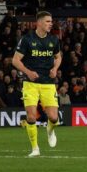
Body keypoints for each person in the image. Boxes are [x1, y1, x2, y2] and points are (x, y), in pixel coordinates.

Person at [12, 11, 62, 157]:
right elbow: (15, 60)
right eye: (47, 21)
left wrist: (55, 68)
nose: (50, 24)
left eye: (51, 21)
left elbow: (58, 57)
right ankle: (35, 149)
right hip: (31, 84)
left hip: (48, 83)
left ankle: (50, 130)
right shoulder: (27, 39)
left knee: (53, 118)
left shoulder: (53, 40)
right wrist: (28, 72)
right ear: (38, 23)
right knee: (31, 117)